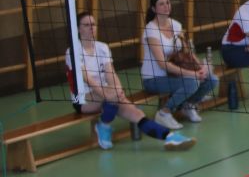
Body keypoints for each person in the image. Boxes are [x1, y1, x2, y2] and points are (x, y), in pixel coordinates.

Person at [67, 12, 195, 151]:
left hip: (108, 94)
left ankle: (170, 137)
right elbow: (88, 79)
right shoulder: (73, 51)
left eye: (93, 24)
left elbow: (111, 73)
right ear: (78, 29)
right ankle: (103, 126)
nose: (91, 28)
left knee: (137, 114)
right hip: (83, 98)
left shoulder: (102, 47)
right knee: (112, 98)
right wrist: (110, 94)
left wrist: (118, 89)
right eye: (86, 25)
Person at [141, 0, 218, 130]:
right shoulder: (151, 30)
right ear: (153, 9)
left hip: (174, 75)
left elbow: (187, 51)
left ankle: (188, 105)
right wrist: (192, 74)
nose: (166, 6)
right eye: (161, 4)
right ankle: (164, 113)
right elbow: (162, 64)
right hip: (154, 79)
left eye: (168, 2)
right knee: (192, 82)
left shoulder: (176, 25)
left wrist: (200, 67)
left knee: (212, 79)